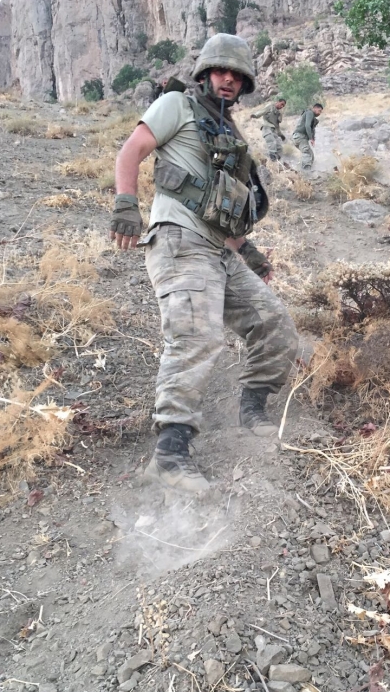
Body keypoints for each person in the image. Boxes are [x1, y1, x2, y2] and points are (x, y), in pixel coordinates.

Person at [109, 33, 299, 495]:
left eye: (236, 75)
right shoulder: (176, 104)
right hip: (178, 240)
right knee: (196, 337)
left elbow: (225, 208)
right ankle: (170, 454)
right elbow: (131, 150)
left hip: (219, 250)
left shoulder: (230, 133)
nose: (228, 79)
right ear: (204, 73)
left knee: (275, 325)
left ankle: (251, 409)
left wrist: (247, 252)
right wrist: (125, 204)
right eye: (220, 71)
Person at [250, 94, 286, 161]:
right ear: (278, 102)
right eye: (281, 104)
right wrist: (255, 115)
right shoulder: (270, 107)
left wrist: (280, 135)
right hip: (266, 127)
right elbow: (262, 111)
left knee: (279, 147)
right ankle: (273, 159)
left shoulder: (278, 114)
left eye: (283, 106)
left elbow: (277, 126)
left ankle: (278, 162)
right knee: (271, 142)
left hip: (273, 130)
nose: (281, 106)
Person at [292, 102, 324, 171]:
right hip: (300, 136)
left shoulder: (312, 117)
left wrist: (313, 138)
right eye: (319, 111)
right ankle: (306, 173)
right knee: (307, 153)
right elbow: (307, 126)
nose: (319, 113)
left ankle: (305, 170)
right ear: (315, 108)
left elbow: (312, 129)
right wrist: (311, 138)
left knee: (311, 155)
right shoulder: (310, 113)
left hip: (298, 137)